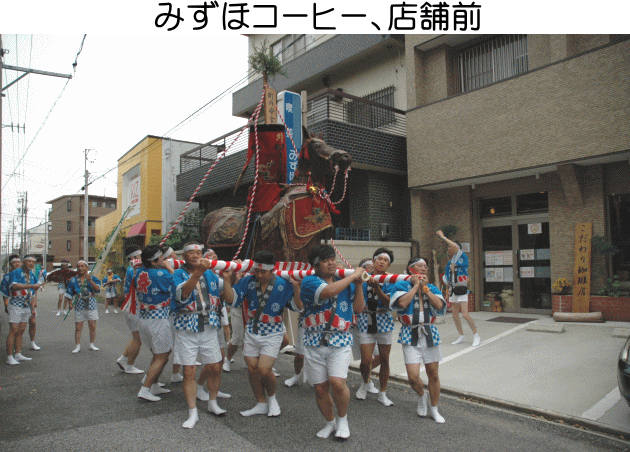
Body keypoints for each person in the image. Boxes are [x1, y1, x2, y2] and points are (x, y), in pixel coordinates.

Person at [300, 244, 365, 440]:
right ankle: (330, 422)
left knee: (337, 382)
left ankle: (343, 419)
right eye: (325, 260)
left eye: (332, 259)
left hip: (340, 339)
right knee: (320, 388)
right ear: (315, 265)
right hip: (314, 341)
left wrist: (359, 284)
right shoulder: (309, 281)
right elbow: (328, 292)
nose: (331, 263)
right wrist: (353, 276)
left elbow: (359, 309)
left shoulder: (346, 281)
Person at [228, 250, 301, 418]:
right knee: (252, 369)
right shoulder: (247, 281)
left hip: (273, 332)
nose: (259, 275)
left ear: (272, 270)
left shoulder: (284, 284)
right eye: (256, 271)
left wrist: (297, 289)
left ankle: (272, 398)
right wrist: (229, 278)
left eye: (263, 272)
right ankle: (260, 403)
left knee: (264, 369)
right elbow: (233, 298)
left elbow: (297, 307)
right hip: (252, 330)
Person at [171, 243, 232, 428]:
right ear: (184, 255)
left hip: (209, 324)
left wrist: (230, 275)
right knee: (189, 370)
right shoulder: (178, 274)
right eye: (191, 252)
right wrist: (198, 271)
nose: (196, 255)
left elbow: (226, 292)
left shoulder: (210, 273)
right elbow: (183, 293)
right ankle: (192, 412)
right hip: (186, 325)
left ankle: (213, 402)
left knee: (215, 365)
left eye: (199, 252)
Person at [389, 257, 447, 423]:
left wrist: (425, 288)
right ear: (410, 269)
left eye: (425, 267)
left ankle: (434, 409)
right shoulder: (400, 285)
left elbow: (439, 306)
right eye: (420, 266)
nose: (423, 269)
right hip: (410, 332)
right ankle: (422, 396)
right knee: (413, 377)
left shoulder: (432, 287)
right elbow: (402, 303)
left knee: (433, 374)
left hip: (429, 331)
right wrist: (415, 286)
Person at [135, 245, 175, 402]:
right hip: (157, 320)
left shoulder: (139, 272)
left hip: (144, 318)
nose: (164, 260)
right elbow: (180, 285)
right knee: (162, 357)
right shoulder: (161, 274)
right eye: (161, 258)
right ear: (153, 261)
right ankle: (145, 389)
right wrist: (170, 268)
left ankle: (154, 383)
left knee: (159, 354)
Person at [356, 248, 395, 406]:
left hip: (384, 319)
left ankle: (383, 392)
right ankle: (366, 383)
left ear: (388, 265)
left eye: (385, 260)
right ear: (373, 261)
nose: (381, 262)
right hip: (365, 319)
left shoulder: (392, 280)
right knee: (366, 360)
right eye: (379, 259)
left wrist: (377, 287)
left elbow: (388, 303)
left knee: (385, 359)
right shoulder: (363, 278)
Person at [437, 230, 480, 347]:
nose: (449, 249)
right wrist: (446, 291)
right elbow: (447, 279)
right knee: (455, 315)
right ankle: (461, 335)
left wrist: (443, 237)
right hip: (453, 290)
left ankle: (476, 335)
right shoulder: (449, 263)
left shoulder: (462, 257)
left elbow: (456, 246)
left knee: (465, 314)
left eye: (450, 247)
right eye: (448, 248)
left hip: (462, 289)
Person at [5, 255, 40, 365]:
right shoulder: (16, 273)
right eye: (28, 261)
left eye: (33, 262)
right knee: (13, 330)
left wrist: (33, 305)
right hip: (16, 304)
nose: (31, 263)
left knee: (21, 330)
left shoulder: (32, 275)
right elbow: (14, 286)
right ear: (23, 262)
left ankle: (18, 354)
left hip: (27, 305)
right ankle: (9, 356)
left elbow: (34, 292)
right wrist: (30, 286)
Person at [116, 245, 145, 374]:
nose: (142, 258)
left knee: (135, 338)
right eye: (140, 256)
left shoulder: (131, 268)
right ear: (134, 257)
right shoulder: (134, 269)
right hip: (134, 306)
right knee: (138, 340)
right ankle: (129, 365)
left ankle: (123, 359)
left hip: (132, 306)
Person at [65, 260, 101, 353]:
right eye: (78, 266)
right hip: (79, 304)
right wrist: (70, 303)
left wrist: (90, 281)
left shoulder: (92, 278)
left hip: (91, 303)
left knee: (92, 326)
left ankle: (92, 344)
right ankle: (77, 346)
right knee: (78, 327)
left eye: (82, 266)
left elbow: (97, 289)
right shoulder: (73, 280)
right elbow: (69, 293)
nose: (80, 268)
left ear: (87, 268)